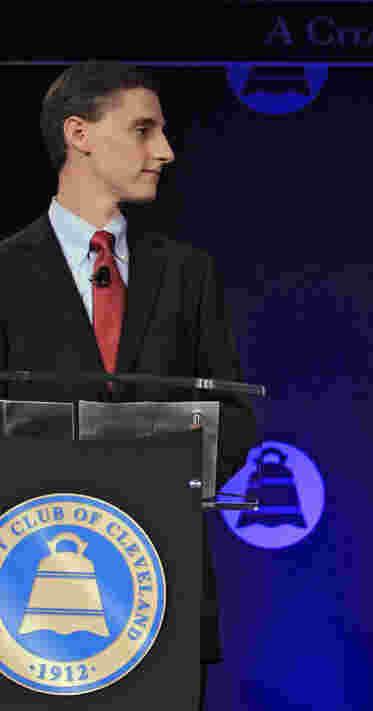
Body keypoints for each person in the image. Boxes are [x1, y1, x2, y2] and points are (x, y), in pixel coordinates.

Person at [0, 61, 257, 708]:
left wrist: (151, 475)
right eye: (143, 130)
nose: (165, 151)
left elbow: (234, 416)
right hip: (22, 599)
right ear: (80, 134)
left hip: (159, 591)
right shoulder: (3, 271)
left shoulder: (188, 273)